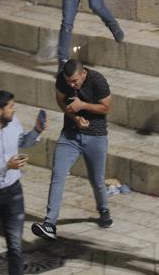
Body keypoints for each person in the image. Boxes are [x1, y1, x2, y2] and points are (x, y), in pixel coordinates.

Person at [31, 59, 113, 240]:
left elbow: (106, 107)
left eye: (75, 81)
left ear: (83, 73)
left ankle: (104, 210)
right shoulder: (62, 79)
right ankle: (49, 223)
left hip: (96, 136)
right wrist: (74, 117)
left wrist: (82, 105)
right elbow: (60, 101)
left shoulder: (97, 80)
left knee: (97, 179)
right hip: (70, 134)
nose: (72, 85)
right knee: (58, 174)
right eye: (69, 82)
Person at [0, 90, 47, 275]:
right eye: (10, 106)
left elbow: (23, 141)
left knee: (15, 243)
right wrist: (5, 166)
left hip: (12, 192)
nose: (14, 109)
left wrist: (36, 131)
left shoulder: (13, 123)